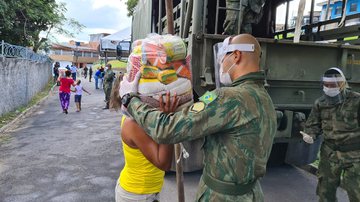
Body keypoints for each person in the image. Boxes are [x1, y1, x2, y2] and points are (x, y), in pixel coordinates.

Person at [120, 34, 277, 201]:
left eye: (223, 58)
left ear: (236, 56)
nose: (222, 64)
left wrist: (130, 101)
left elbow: (167, 129)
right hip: (252, 194)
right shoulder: (264, 97)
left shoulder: (224, 97)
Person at [110, 75, 175, 202]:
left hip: (147, 190)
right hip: (136, 194)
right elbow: (163, 163)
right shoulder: (132, 124)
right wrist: (167, 121)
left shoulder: (141, 116)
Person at [302, 67, 360, 202]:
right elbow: (313, 124)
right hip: (329, 153)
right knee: (325, 191)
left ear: (341, 84)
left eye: (332, 85)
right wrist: (310, 135)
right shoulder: (320, 103)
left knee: (356, 191)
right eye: (326, 85)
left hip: (354, 155)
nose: (329, 88)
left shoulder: (356, 101)